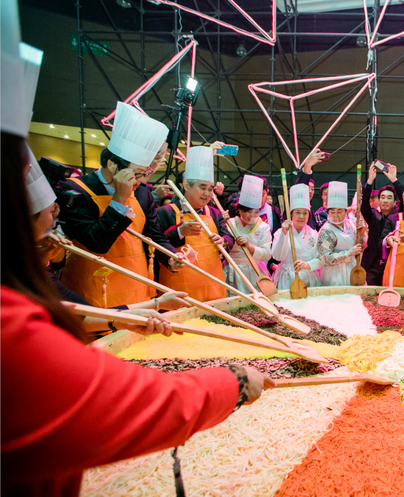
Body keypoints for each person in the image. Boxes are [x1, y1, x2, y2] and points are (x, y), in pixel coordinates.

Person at [0, 12, 275, 492]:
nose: (48, 227)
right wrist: (227, 384)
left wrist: (148, 298)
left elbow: (152, 249)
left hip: (140, 298)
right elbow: (95, 250)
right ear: (110, 163)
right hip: (98, 297)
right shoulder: (77, 194)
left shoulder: (154, 200)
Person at [58, 102, 177, 308]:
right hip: (92, 291)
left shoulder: (142, 193)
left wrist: (172, 257)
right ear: (112, 165)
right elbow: (95, 243)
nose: (140, 181)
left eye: (145, 174)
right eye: (137, 173)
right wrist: (120, 198)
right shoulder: (75, 190)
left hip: (136, 291)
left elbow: (154, 235)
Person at [157, 146, 234, 301]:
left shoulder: (215, 213)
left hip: (213, 284)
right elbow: (157, 244)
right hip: (179, 288)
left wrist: (223, 242)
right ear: (186, 186)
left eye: (210, 189)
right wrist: (179, 233)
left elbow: (228, 237)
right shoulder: (165, 212)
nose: (207, 193)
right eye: (202, 187)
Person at [223, 175, 273, 294]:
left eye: (256, 212)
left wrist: (250, 248)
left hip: (254, 272)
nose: (252, 216)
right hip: (230, 271)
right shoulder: (229, 224)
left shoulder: (263, 227)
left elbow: (267, 255)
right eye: (248, 212)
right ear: (239, 210)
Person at [271, 183, 323, 290]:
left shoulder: (314, 234)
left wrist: (307, 265)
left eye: (305, 213)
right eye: (297, 212)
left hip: (309, 278)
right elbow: (277, 257)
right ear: (291, 214)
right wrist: (283, 235)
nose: (301, 216)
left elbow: (321, 259)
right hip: (287, 279)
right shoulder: (280, 232)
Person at [360, 162, 404, 285]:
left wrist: (394, 180)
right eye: (383, 197)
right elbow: (364, 206)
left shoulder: (399, 216)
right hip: (372, 265)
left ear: (395, 202)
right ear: (378, 201)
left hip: (392, 263)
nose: (385, 200)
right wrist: (369, 181)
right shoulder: (373, 215)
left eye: (389, 198)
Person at [317, 181, 365, 286]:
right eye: (332, 212)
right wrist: (348, 253)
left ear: (345, 211)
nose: (335, 216)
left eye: (339, 212)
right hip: (333, 274)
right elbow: (325, 258)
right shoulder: (325, 230)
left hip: (352, 269)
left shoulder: (352, 225)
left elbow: (361, 247)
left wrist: (361, 233)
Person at [296, 149, 326, 230]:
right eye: (307, 188)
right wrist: (308, 166)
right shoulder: (292, 204)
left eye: (312, 189)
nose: (309, 191)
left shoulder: (311, 212)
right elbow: (301, 187)